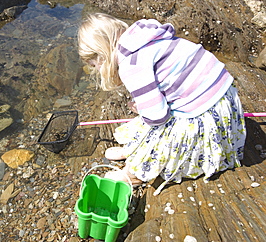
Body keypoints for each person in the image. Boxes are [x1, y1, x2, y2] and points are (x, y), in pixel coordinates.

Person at [77, 13, 246, 195]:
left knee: (156, 124)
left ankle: (135, 174)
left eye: (95, 65)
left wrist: (143, 108)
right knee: (148, 115)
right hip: (225, 97)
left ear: (102, 55)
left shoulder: (131, 65)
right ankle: (134, 149)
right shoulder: (145, 37)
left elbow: (158, 116)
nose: (96, 70)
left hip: (204, 112)